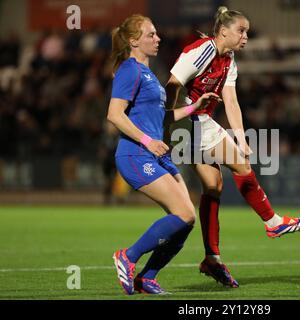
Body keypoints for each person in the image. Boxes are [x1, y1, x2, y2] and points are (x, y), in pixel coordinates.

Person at [165, 6, 300, 288]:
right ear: (224, 31)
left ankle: (212, 258)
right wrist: (169, 118)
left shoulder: (228, 60)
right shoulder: (201, 50)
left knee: (214, 186)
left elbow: (230, 102)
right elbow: (172, 83)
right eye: (241, 31)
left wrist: (241, 138)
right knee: (241, 167)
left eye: (247, 32)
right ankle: (272, 222)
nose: (245, 37)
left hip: (196, 122)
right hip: (188, 121)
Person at [107, 14, 220, 295]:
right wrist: (148, 140)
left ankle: (147, 278)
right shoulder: (129, 70)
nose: (157, 38)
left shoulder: (148, 74)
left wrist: (195, 106)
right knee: (183, 213)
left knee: (187, 219)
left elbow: (163, 119)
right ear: (134, 41)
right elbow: (113, 114)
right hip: (136, 155)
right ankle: (128, 256)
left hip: (155, 155)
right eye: (151, 35)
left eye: (156, 34)